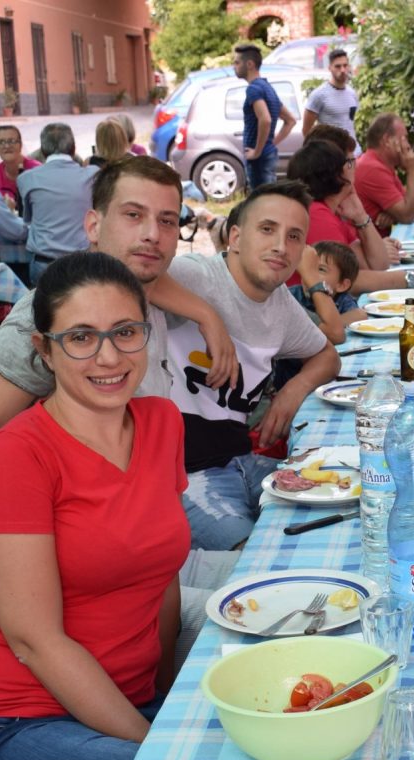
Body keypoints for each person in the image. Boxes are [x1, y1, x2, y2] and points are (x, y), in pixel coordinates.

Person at [0, 251, 187, 760]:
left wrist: (167, 696)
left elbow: (161, 576)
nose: (108, 357)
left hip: (124, 705)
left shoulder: (161, 422)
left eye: (125, 332)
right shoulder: (18, 455)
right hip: (12, 731)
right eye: (80, 337)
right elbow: (34, 640)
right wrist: (152, 741)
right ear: (44, 350)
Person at [0, 155, 237, 625]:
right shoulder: (55, 314)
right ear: (94, 225)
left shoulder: (136, 292)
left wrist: (207, 315)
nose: (152, 235)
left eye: (165, 220)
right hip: (82, 587)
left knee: (282, 578)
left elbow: (152, 286)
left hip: (142, 559)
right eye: (133, 215)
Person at [165, 180, 342, 550]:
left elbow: (328, 355)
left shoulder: (278, 302)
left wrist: (292, 391)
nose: (281, 246)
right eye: (267, 229)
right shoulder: (197, 276)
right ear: (235, 237)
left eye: (294, 236)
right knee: (254, 561)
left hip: (242, 461)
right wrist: (206, 316)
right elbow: (121, 275)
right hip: (185, 476)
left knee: (342, 506)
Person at [286, 137, 414, 294]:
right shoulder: (318, 216)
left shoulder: (332, 212)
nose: (356, 166)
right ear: (337, 175)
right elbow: (348, 282)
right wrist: (413, 277)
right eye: (350, 162)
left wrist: (361, 217)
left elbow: (379, 264)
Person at [17, 123, 99, 284]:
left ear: (43, 151)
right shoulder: (93, 175)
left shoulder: (27, 178)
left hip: (44, 263)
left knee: (42, 309)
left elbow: (27, 219)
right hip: (83, 263)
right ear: (73, 148)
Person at [233, 43, 297, 189]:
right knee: (269, 197)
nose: (234, 66)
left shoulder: (253, 89)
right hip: (268, 155)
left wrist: (257, 151)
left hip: (259, 160)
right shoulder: (267, 88)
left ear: (249, 64)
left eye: (237, 62)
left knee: (261, 200)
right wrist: (272, 143)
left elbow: (265, 119)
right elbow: (290, 120)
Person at [354, 112, 414, 235]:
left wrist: (394, 215)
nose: (407, 145)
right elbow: (408, 215)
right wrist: (413, 170)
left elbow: (406, 205)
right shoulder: (372, 168)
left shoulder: (380, 164)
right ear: (387, 140)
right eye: (404, 138)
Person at [293, 239, 366, 344]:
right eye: (308, 268)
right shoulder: (292, 295)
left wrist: (329, 325)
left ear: (342, 285)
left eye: (321, 269)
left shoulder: (341, 299)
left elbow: (360, 315)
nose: (310, 275)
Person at [300, 49, 360, 149]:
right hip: (331, 155)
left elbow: (350, 124)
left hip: (353, 153)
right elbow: (306, 130)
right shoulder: (319, 95)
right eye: (338, 66)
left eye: (345, 65)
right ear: (330, 68)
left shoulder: (352, 93)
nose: (342, 70)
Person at [0, 124, 41, 209]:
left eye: (12, 141)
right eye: (1, 142)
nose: (7, 146)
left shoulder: (36, 170)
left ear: (20, 145)